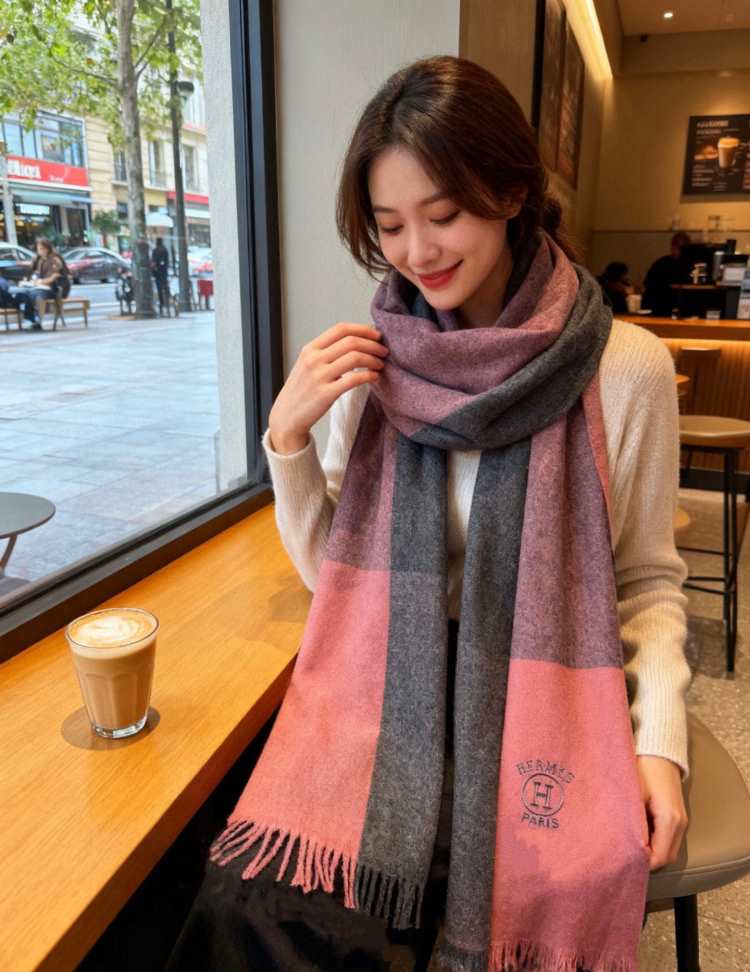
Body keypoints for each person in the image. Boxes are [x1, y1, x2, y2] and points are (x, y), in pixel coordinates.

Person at [166, 56, 690, 972]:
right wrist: (287, 439)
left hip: (552, 692)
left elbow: (647, 581)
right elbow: (332, 580)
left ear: (512, 193)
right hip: (391, 682)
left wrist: (661, 746)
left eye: (443, 214)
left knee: (537, 886)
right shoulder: (374, 366)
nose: (418, 251)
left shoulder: (625, 369)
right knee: (261, 901)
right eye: (390, 224)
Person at [24, 237, 71, 329]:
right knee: (27, 293)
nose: (40, 251)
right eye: (38, 249)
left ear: (48, 248)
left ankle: (38, 321)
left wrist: (39, 282)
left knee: (37, 294)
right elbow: (32, 271)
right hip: (44, 287)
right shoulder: (40, 259)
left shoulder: (55, 259)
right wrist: (27, 280)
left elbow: (54, 277)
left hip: (57, 288)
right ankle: (32, 319)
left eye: (42, 248)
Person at [642, 231, 691, 317]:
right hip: (659, 308)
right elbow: (648, 288)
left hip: (678, 308)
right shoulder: (661, 264)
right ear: (672, 247)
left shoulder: (689, 265)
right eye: (679, 248)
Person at [150, 236, 170, 316]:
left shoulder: (155, 251)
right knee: (165, 286)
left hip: (157, 272)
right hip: (164, 272)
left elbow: (153, 262)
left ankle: (161, 304)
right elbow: (167, 261)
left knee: (159, 289)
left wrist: (154, 269)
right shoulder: (165, 250)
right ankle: (167, 301)